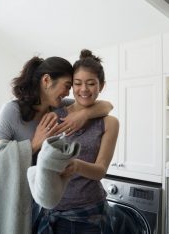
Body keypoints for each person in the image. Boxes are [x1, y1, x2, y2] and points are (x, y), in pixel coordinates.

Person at [0, 55, 114, 233]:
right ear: (46, 80)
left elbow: (104, 105)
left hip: (44, 200)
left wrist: (83, 115)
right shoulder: (12, 111)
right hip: (18, 195)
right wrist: (33, 144)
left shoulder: (57, 108)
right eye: (68, 86)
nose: (69, 93)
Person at [35, 49, 120, 234]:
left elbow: (100, 171)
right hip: (50, 210)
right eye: (77, 83)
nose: (84, 89)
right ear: (71, 86)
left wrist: (75, 166)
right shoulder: (54, 115)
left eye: (91, 83)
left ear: (101, 86)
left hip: (87, 215)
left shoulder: (109, 123)